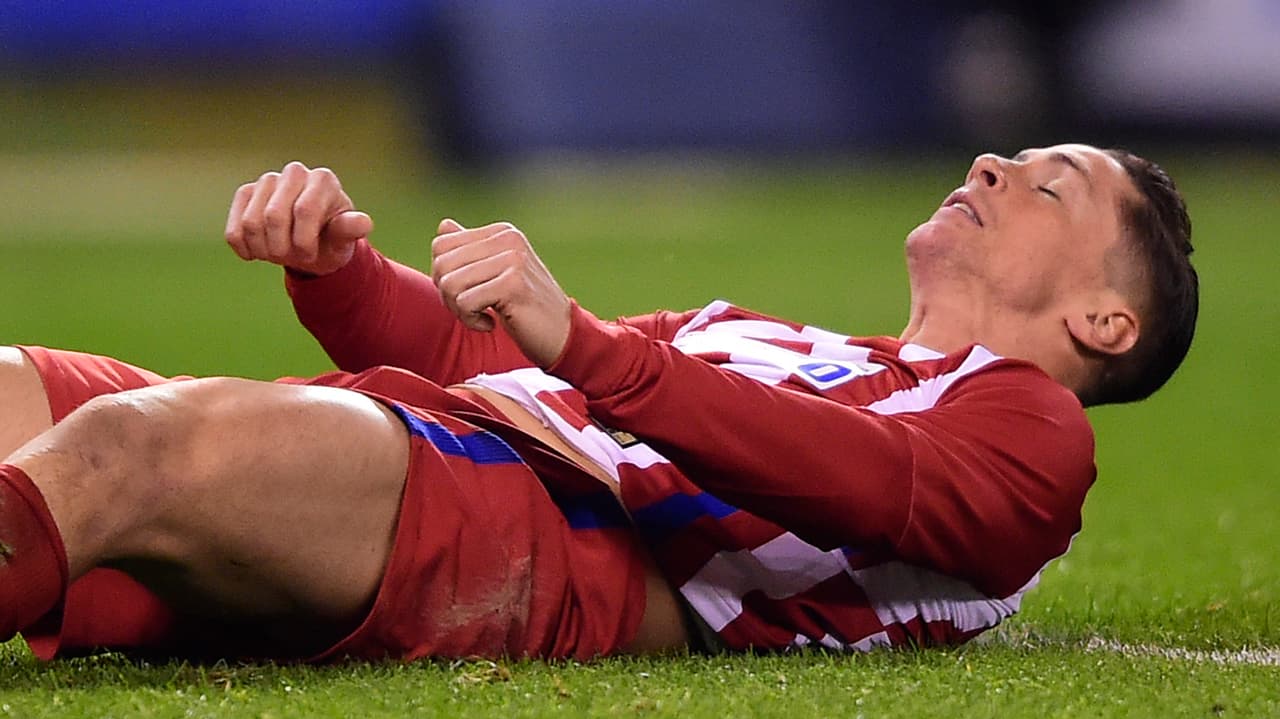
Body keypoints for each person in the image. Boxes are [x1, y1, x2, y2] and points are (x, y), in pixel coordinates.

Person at [0, 145, 1197, 664]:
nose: (989, 165)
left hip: (537, 531)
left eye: (1049, 183)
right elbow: (493, 363)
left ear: (1104, 320)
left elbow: (867, 482)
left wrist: (588, 346)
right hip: (439, 442)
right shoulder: (775, 340)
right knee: (19, 393)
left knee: (121, 451)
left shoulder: (1032, 428)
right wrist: (337, 269)